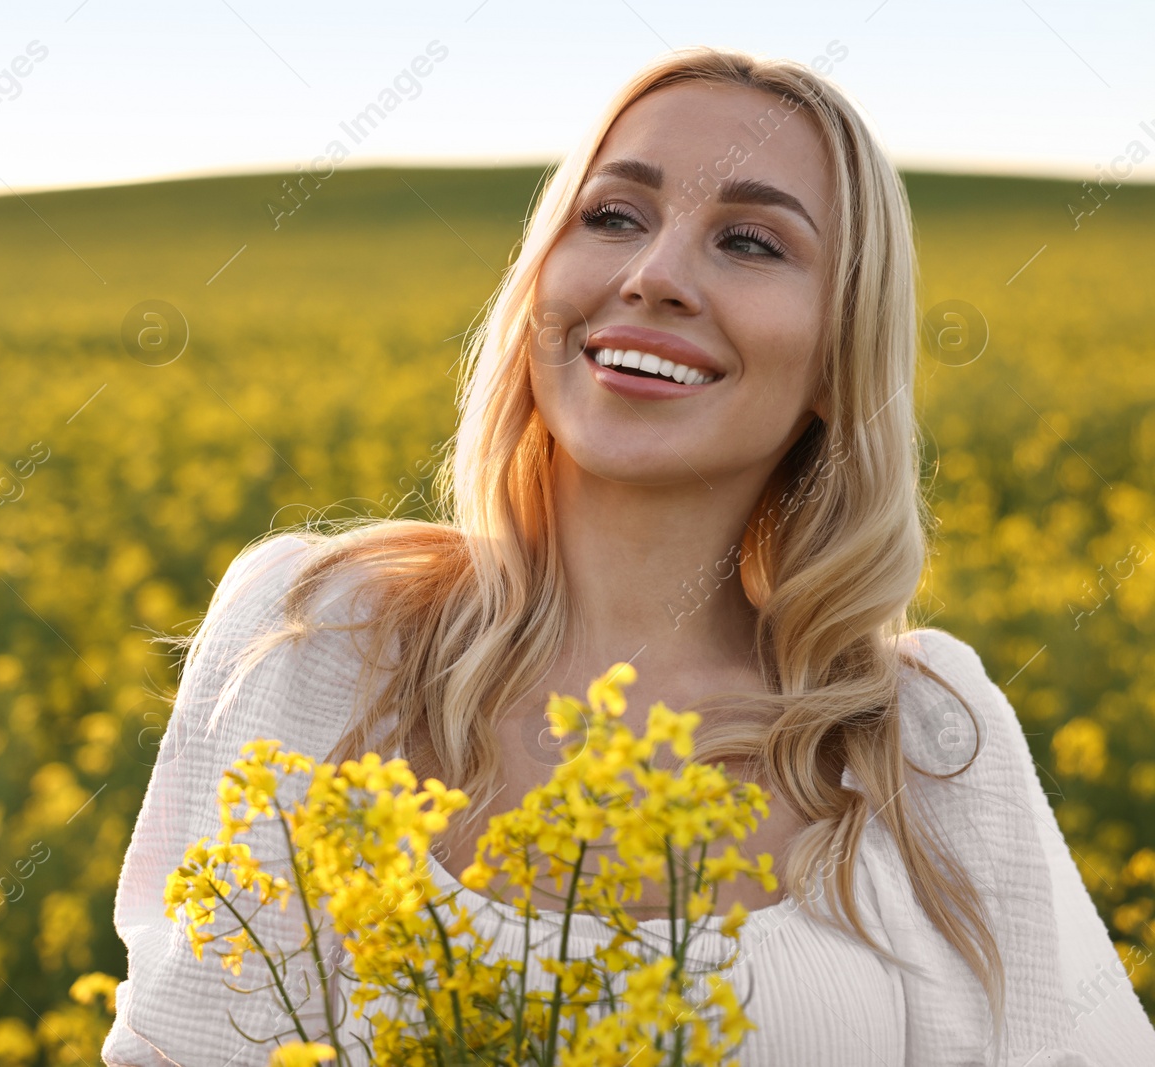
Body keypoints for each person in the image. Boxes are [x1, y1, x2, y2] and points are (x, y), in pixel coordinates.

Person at [101, 45, 1155, 1065]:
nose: (654, 275)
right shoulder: (318, 631)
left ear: (839, 356)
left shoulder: (922, 731)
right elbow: (185, 1045)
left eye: (750, 241)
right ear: (539, 284)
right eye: (612, 215)